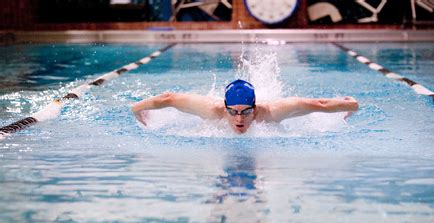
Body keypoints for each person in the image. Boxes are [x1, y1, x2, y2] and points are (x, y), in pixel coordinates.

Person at [131, 79, 359, 134]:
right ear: (225, 107)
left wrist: (349, 105)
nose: (239, 119)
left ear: (255, 107)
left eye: (246, 112)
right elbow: (168, 98)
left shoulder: (271, 112)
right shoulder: (211, 109)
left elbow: (318, 104)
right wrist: (137, 108)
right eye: (234, 112)